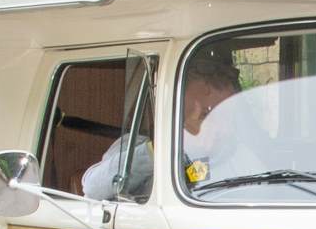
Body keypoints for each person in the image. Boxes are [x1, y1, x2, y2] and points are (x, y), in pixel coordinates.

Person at [83, 55, 241, 200]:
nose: (220, 124)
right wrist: (164, 147)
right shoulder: (137, 145)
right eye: (207, 114)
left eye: (227, 113)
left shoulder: (235, 151)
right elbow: (93, 188)